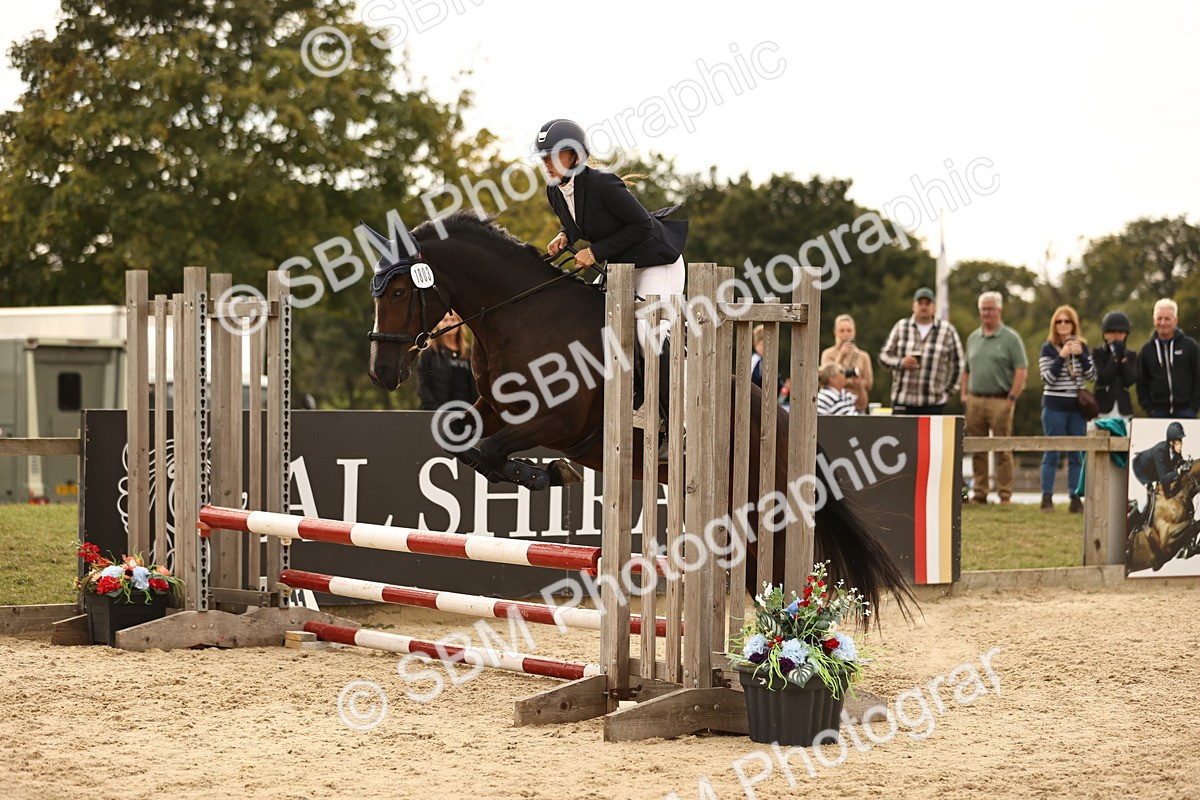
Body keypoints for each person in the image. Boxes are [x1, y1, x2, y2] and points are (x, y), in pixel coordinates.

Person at [961, 291, 1028, 505]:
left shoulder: (1011, 338)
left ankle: (1005, 494)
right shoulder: (973, 337)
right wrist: (964, 395)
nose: (986, 313)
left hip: (1001, 399)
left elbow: (1021, 370)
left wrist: (1011, 399)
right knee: (977, 448)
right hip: (975, 400)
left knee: (1002, 447)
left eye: (990, 309)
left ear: (999, 310)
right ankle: (980, 493)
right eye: (983, 309)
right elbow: (966, 369)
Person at [1037, 305, 1097, 513]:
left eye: (1067, 321)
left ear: (1073, 324)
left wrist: (1080, 356)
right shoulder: (1048, 348)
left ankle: (1075, 498)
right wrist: (1061, 356)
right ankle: (1047, 497)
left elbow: (1092, 377)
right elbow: (1047, 379)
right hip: (1054, 406)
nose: (1063, 325)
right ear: (1054, 325)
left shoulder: (1082, 346)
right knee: (1051, 453)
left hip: (1077, 408)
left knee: (1076, 455)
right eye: (1059, 321)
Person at [878, 287, 964, 415]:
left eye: (927, 303)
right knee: (902, 435)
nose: (923, 307)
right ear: (913, 305)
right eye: (920, 303)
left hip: (933, 403)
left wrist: (948, 392)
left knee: (931, 436)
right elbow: (883, 356)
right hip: (903, 401)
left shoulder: (947, 330)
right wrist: (901, 362)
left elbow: (959, 364)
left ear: (933, 306)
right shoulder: (901, 327)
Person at [1136, 298, 1200, 419]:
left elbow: (1198, 376)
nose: (1163, 323)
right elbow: (1141, 383)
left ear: (1175, 321)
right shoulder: (1146, 350)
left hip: (1187, 411)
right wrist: (1149, 409)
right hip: (1157, 413)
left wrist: (1194, 406)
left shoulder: (1190, 346)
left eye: (1167, 319)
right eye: (1159, 318)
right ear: (1154, 321)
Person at [1131, 421, 1192, 528]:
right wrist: (1178, 471)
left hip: (1153, 473)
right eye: (1178, 440)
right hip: (1140, 471)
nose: (1181, 443)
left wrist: (1186, 464)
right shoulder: (1160, 451)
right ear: (1171, 442)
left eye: (1181, 440)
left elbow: (1179, 464)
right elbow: (1164, 479)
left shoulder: (1176, 452)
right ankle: (1134, 529)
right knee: (1143, 503)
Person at [416, 311, 477, 410]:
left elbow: (474, 386)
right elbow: (422, 383)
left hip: (464, 412)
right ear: (438, 324)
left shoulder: (469, 353)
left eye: (453, 320)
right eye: (445, 320)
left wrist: (473, 409)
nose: (449, 323)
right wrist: (433, 408)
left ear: (460, 323)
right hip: (436, 412)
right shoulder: (430, 352)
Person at [820, 314, 873, 412]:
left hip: (858, 403)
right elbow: (826, 378)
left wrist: (855, 382)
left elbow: (868, 384)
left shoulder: (863, 356)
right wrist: (841, 356)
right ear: (835, 332)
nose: (845, 334)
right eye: (842, 331)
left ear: (854, 332)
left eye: (849, 330)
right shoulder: (828, 354)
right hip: (833, 404)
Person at [1092, 311, 1139, 421]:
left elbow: (1130, 380)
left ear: (1126, 334)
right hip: (1102, 407)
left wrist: (1123, 359)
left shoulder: (1131, 355)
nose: (1117, 336)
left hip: (1124, 408)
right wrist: (1115, 357)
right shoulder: (1098, 353)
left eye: (1121, 332)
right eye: (1112, 332)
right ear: (1105, 334)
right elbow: (1103, 378)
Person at [749, 325, 786, 402]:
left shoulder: (771, 361)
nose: (765, 347)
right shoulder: (753, 360)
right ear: (755, 344)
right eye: (762, 344)